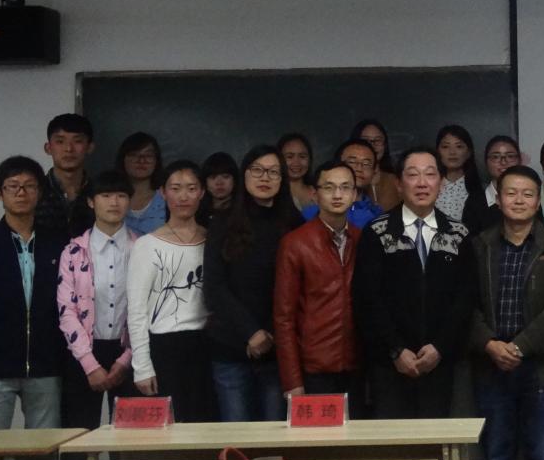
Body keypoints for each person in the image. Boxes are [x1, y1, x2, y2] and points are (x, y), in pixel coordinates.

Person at [467, 166, 544, 460]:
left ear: (537, 201)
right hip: (491, 366)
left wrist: (521, 346)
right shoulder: (479, 245)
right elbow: (463, 303)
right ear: (498, 199)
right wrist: (490, 344)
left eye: (528, 194)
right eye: (511, 193)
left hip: (542, 369)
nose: (519, 200)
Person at [353, 147, 474, 418]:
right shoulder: (377, 232)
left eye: (430, 174)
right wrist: (395, 350)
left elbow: (465, 298)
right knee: (394, 441)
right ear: (399, 183)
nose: (422, 183)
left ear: (441, 183)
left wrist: (440, 347)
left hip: (441, 362)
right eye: (412, 175)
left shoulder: (458, 234)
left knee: (437, 439)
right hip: (389, 364)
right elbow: (367, 298)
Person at [205, 145, 302, 421]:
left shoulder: (293, 225)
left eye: (273, 172)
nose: (265, 178)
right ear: (244, 175)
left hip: (277, 351)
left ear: (282, 179)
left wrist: (269, 334)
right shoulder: (222, 222)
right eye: (257, 170)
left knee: (274, 436)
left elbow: (298, 289)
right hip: (230, 346)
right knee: (237, 435)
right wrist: (252, 333)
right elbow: (214, 287)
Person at [126, 160, 215, 422]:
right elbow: (137, 310)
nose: (183, 196)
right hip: (165, 349)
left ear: (202, 192)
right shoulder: (147, 245)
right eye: (175, 188)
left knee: (206, 428)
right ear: (163, 193)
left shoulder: (213, 240)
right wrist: (142, 367)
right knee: (171, 430)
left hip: (207, 346)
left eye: (191, 188)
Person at [275, 161, 365, 415]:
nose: (337, 194)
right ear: (315, 194)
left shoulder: (362, 239)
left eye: (345, 187)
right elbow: (284, 318)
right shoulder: (295, 243)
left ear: (355, 195)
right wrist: (292, 380)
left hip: (357, 366)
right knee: (318, 439)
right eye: (329, 187)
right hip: (313, 369)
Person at [57, 170, 139, 430]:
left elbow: (149, 309)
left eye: (121, 195)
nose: (114, 202)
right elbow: (67, 310)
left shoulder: (143, 248)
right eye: (105, 195)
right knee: (80, 435)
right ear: (91, 202)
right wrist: (90, 364)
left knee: (131, 438)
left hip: (131, 352)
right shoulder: (73, 251)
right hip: (83, 352)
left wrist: (126, 360)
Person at [0, 156, 66, 429]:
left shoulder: (59, 244)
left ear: (39, 192)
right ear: (0, 193)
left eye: (29, 186)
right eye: (13, 186)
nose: (21, 192)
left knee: (44, 447)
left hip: (46, 363)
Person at [35, 113, 95, 239]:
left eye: (77, 141)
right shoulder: (34, 191)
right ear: (48, 148)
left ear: (90, 147)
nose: (68, 149)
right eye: (60, 141)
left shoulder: (100, 191)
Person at [463, 135, 524, 235]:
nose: (503, 162)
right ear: (486, 162)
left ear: (519, 161)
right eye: (496, 157)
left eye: (510, 156)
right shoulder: (474, 202)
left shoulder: (528, 198)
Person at [115, 131, 167, 234]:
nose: (142, 161)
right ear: (123, 159)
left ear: (156, 161)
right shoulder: (110, 198)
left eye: (148, 155)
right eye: (134, 155)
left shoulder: (167, 199)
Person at [435, 124, 484, 223]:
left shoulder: (481, 190)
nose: (452, 152)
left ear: (469, 152)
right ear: (437, 152)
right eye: (445, 146)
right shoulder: (429, 186)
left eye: (459, 146)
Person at [351, 119, 402, 211]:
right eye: (365, 140)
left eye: (377, 140)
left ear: (385, 145)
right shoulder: (346, 180)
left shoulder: (396, 180)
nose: (372, 145)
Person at [335, 138, 384, 229]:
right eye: (352, 162)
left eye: (366, 164)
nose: (359, 168)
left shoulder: (378, 216)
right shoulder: (318, 211)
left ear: (374, 172)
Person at [197, 151, 239, 227]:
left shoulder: (244, 211)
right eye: (213, 177)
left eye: (225, 177)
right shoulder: (197, 212)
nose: (219, 183)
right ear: (205, 182)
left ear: (234, 180)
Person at [277, 133, 315, 212]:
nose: (296, 163)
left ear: (309, 160)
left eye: (302, 156)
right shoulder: (272, 193)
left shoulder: (320, 193)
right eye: (289, 157)